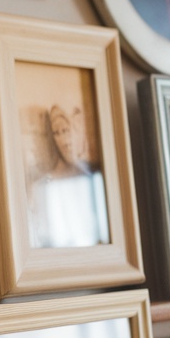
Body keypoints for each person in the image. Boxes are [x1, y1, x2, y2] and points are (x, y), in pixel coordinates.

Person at [26, 105, 109, 249]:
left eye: (65, 130)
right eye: (56, 133)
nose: (63, 138)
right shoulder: (45, 183)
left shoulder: (89, 174)